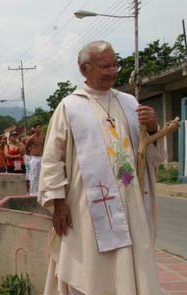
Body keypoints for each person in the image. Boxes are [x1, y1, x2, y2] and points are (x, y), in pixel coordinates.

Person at [39, 40, 165, 295]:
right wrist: (58, 202)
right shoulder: (69, 107)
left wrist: (152, 127)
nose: (112, 71)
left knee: (129, 263)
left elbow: (149, 156)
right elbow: (52, 158)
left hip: (130, 204)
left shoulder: (129, 102)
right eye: (105, 66)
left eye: (115, 65)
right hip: (86, 209)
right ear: (84, 69)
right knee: (89, 268)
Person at [24, 123, 45, 196]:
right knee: (33, 175)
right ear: (35, 129)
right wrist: (30, 153)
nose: (40, 129)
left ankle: (40, 191)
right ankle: (32, 192)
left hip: (42, 157)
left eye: (40, 127)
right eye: (38, 127)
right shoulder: (31, 138)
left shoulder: (43, 136)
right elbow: (26, 147)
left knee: (41, 175)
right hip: (34, 158)